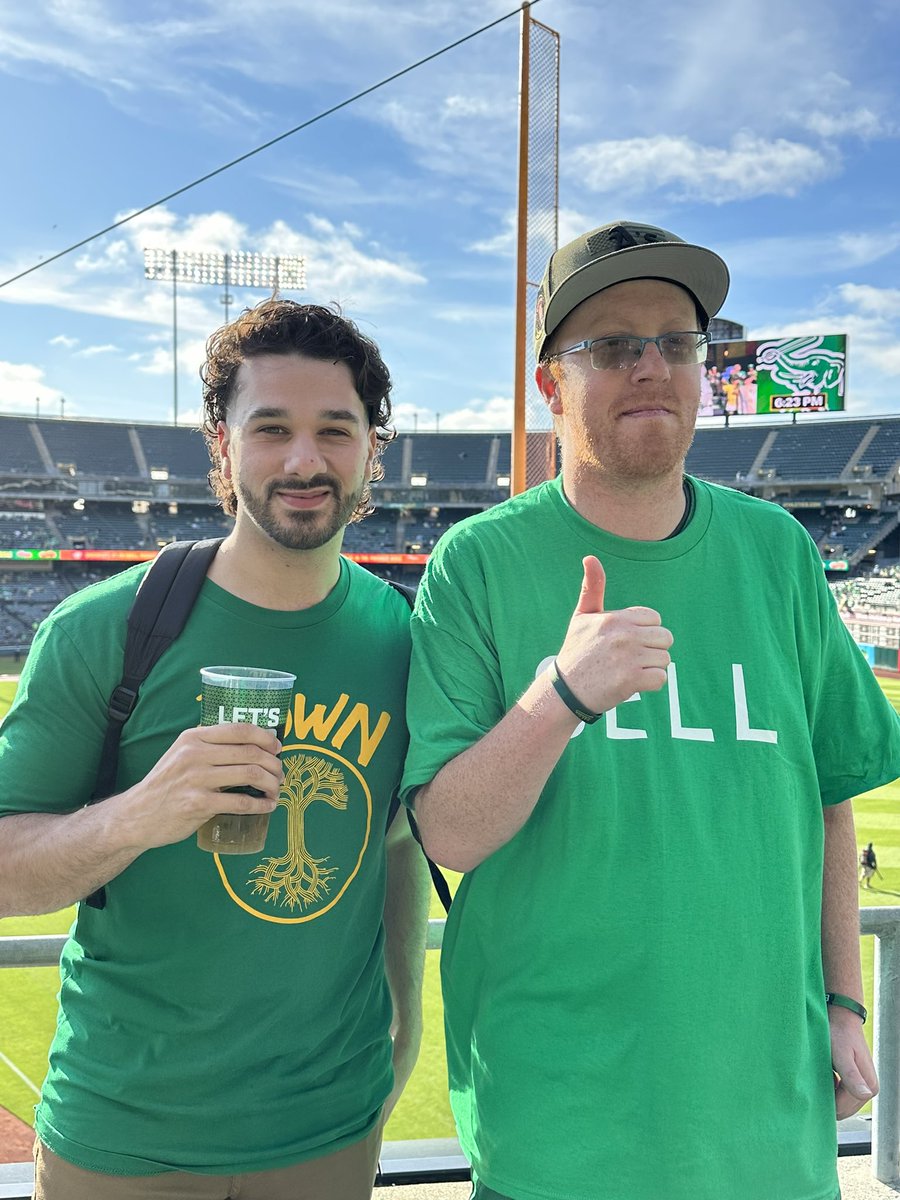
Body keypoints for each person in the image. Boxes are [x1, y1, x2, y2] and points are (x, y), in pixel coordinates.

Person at [400, 220, 900, 1200]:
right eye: (612, 345)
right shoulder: (480, 562)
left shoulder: (778, 553)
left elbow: (831, 801)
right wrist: (560, 699)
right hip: (562, 1128)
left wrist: (844, 1003)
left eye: (677, 342)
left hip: (769, 1125)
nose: (651, 366)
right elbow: (449, 834)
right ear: (552, 384)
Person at [0, 299, 431, 1200]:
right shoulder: (107, 630)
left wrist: (407, 1031)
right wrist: (136, 814)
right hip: (127, 1131)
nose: (304, 460)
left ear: (371, 449)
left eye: (334, 430)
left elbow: (394, 841)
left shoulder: (403, 639)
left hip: (328, 1127)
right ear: (221, 445)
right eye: (270, 428)